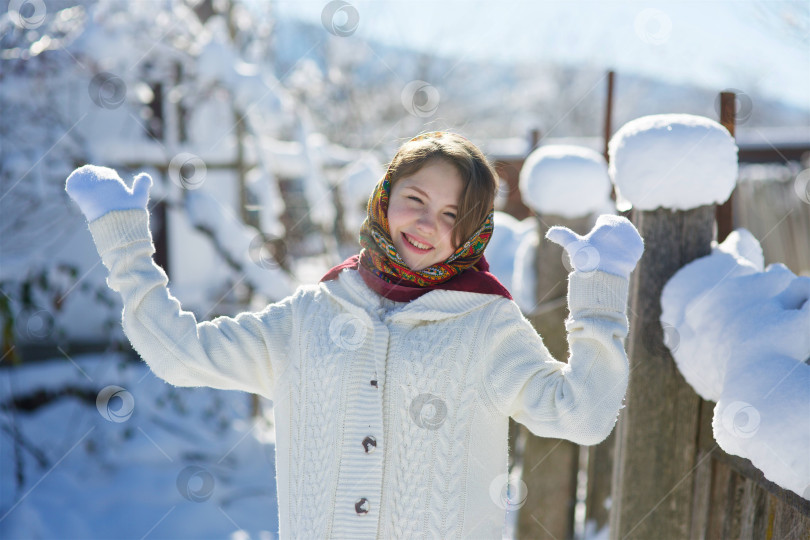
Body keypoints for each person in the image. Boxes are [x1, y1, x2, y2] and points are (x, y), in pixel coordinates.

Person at [65, 131, 644, 538]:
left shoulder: (486, 326)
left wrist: (600, 296)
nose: (426, 224)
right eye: (416, 200)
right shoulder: (311, 315)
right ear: (385, 198)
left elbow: (583, 415)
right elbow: (180, 355)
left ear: (473, 233)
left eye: (451, 216)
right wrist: (125, 246)